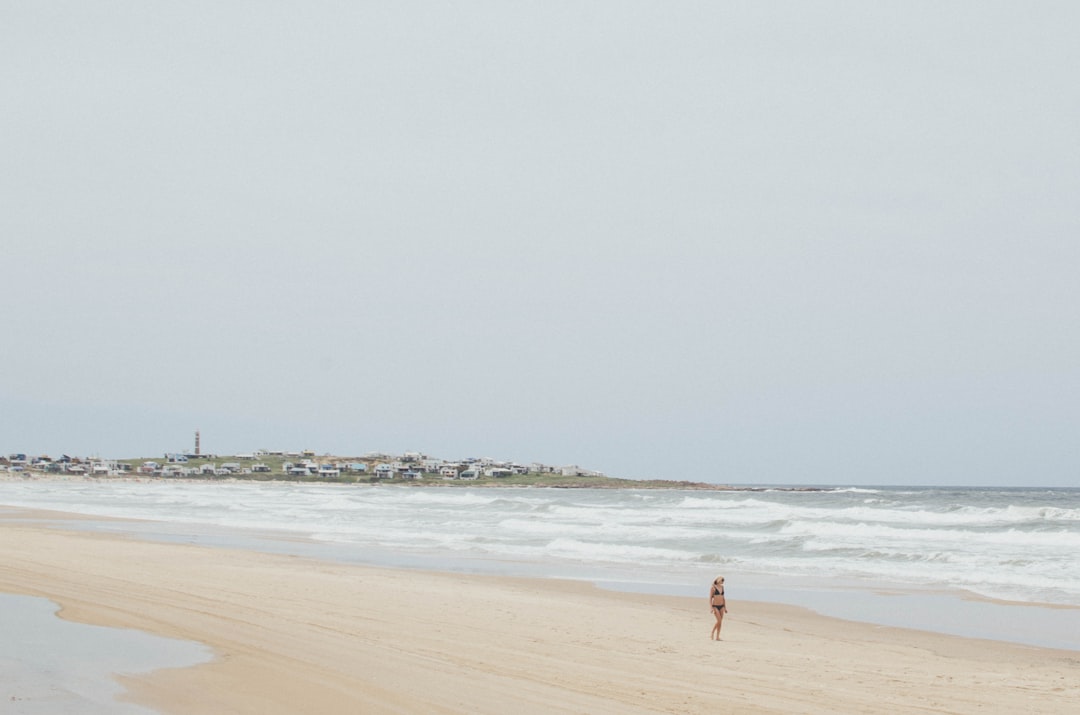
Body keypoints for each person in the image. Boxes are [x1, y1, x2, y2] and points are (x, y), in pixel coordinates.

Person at [709, 575, 727, 640]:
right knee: (719, 621)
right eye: (722, 580)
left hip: (721, 606)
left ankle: (717, 637)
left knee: (720, 622)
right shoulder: (713, 588)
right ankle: (712, 633)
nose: (723, 582)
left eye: (723, 580)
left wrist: (725, 607)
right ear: (718, 580)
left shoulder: (722, 587)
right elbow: (710, 599)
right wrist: (711, 608)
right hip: (715, 606)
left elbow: (723, 598)